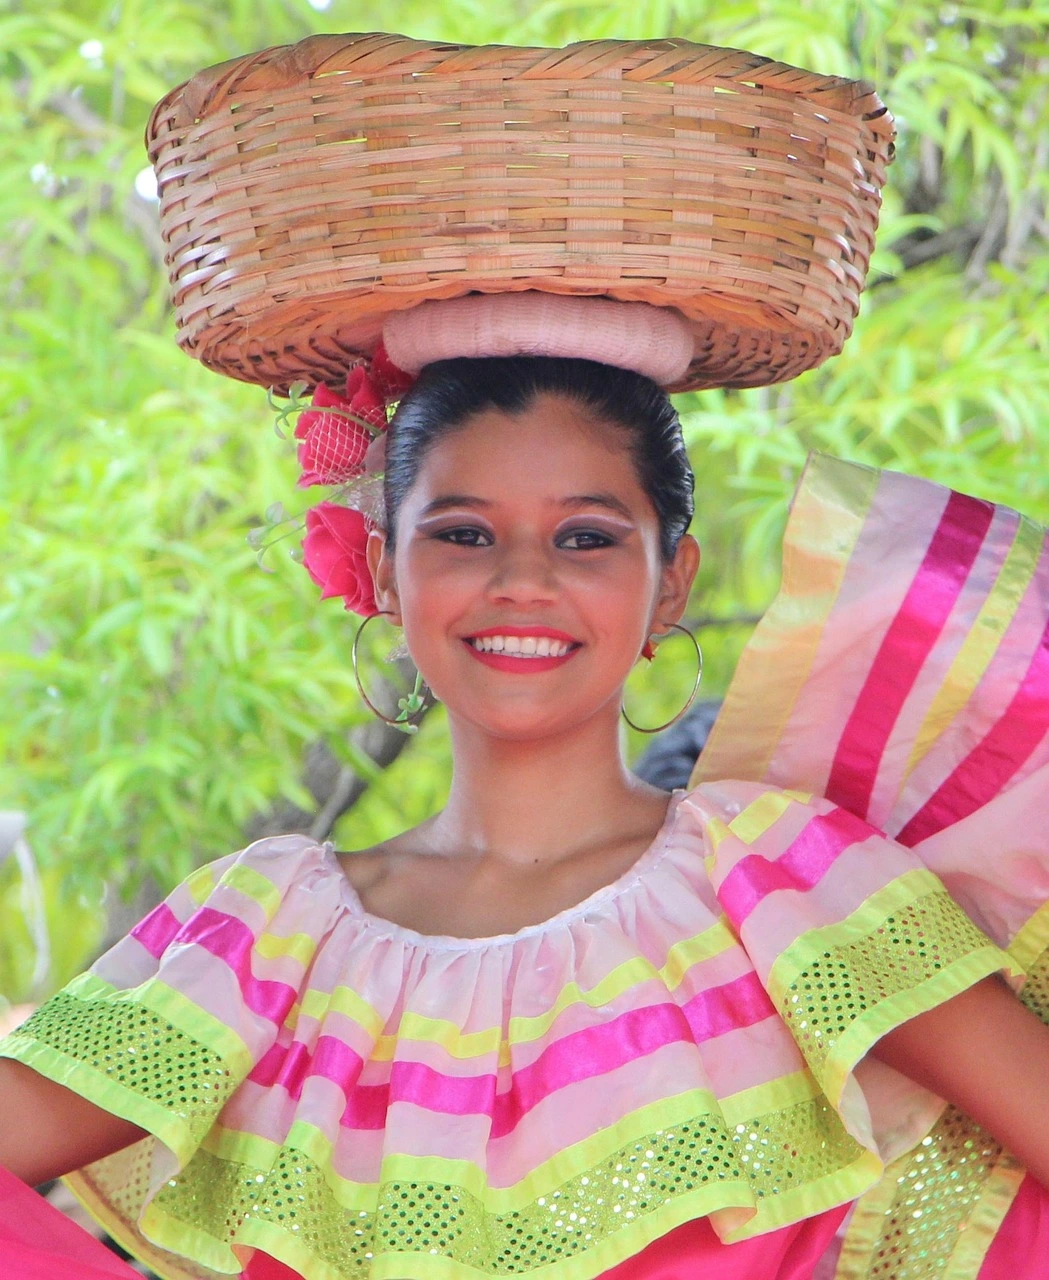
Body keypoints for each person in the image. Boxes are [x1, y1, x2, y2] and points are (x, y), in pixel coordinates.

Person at [3, 29, 1049, 1280]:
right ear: (385, 573)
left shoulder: (778, 887)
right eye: (461, 531)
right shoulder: (261, 936)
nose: (521, 581)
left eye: (586, 535)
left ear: (671, 582)